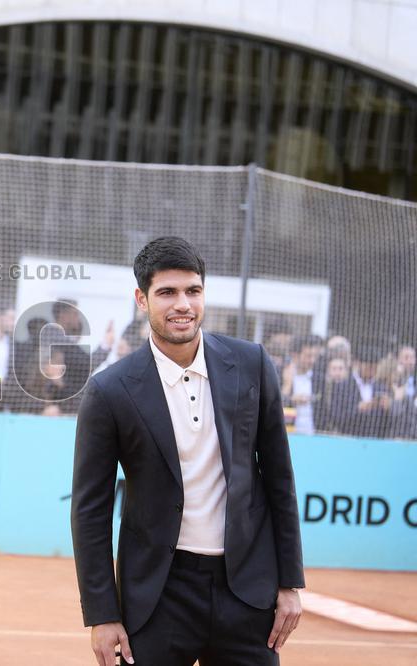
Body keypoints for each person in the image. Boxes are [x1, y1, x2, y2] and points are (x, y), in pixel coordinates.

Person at [72, 236, 304, 665]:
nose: (183, 304)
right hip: (158, 596)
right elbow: (91, 510)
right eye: (167, 293)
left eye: (193, 291)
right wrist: (102, 614)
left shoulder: (251, 363)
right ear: (142, 300)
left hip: (246, 592)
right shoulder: (109, 392)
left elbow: (279, 479)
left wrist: (289, 582)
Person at [281, 334, 324, 435]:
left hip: (313, 434)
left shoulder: (319, 379)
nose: (312, 360)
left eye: (315, 356)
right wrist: (291, 398)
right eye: (308, 356)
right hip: (288, 435)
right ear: (295, 355)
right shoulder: (282, 374)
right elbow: (274, 405)